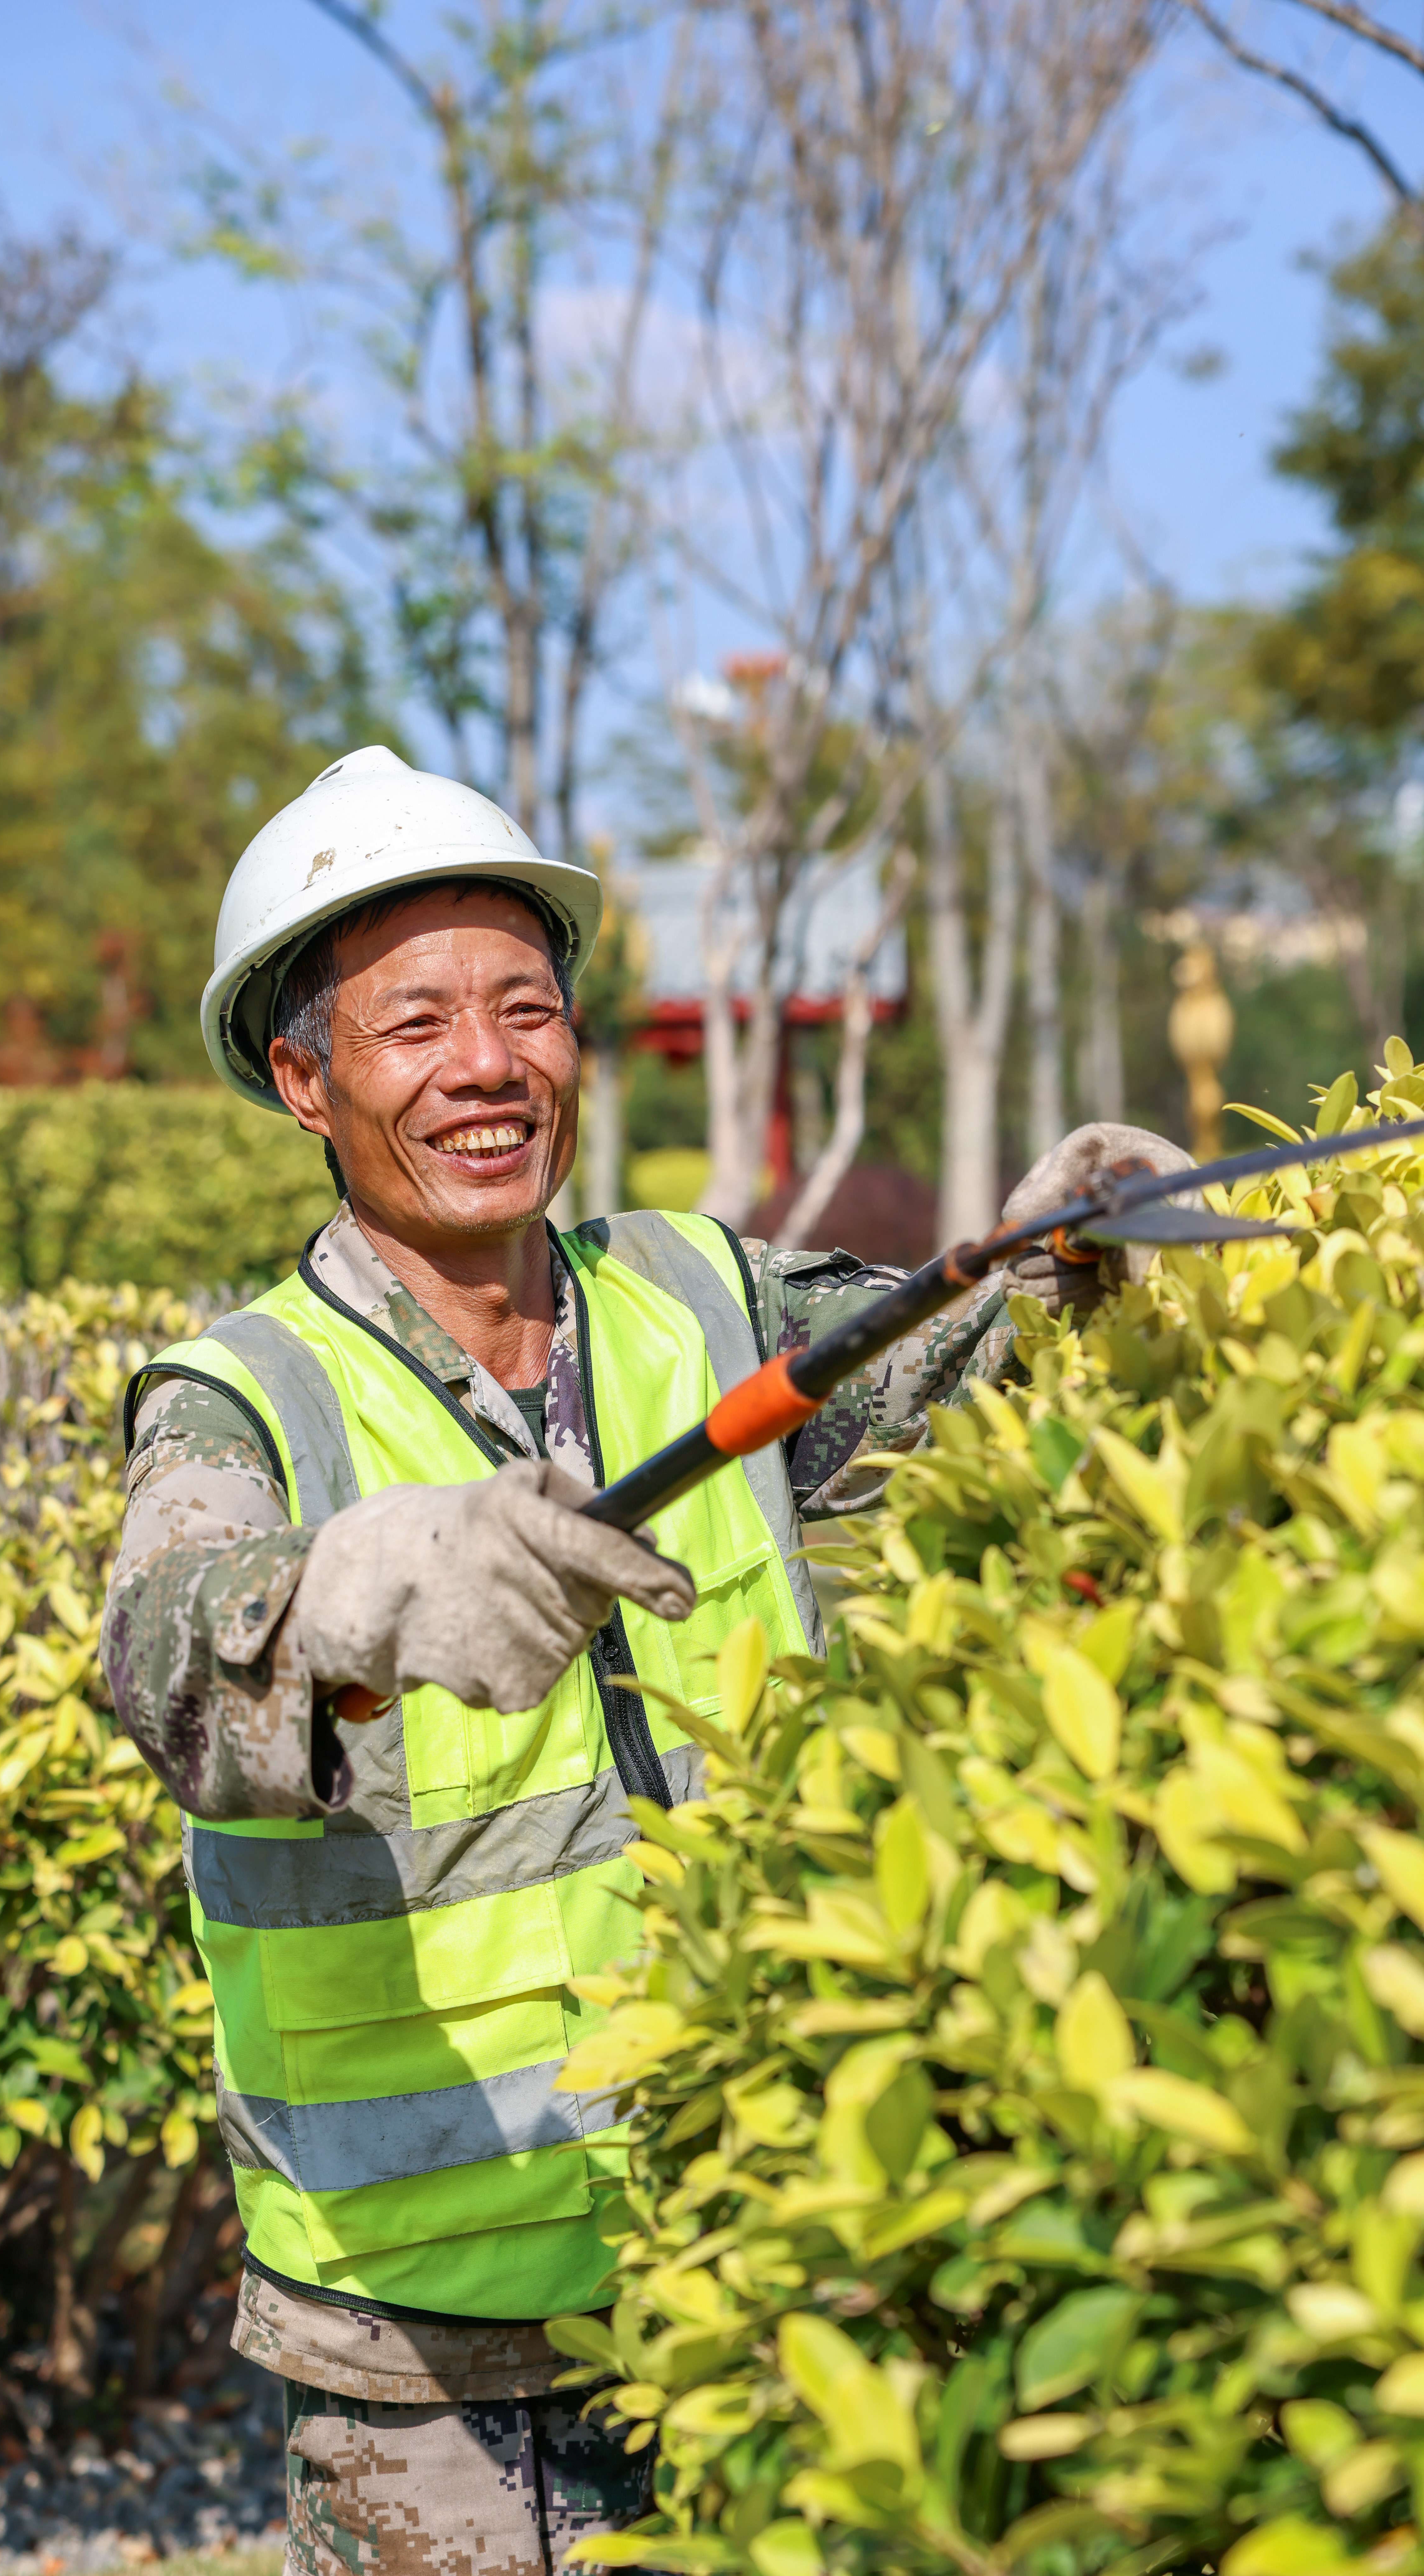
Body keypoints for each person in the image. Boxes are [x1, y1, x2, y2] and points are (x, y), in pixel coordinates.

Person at [99, 746, 1183, 2574]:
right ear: (302, 1080)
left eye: (527, 1008)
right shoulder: (245, 1396)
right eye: (415, 1023)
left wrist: (1063, 1248)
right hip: (434, 2335)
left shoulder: (694, 1292)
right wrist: (366, 1590)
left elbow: (953, 1341)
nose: (488, 1066)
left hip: (768, 2223)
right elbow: (168, 1667)